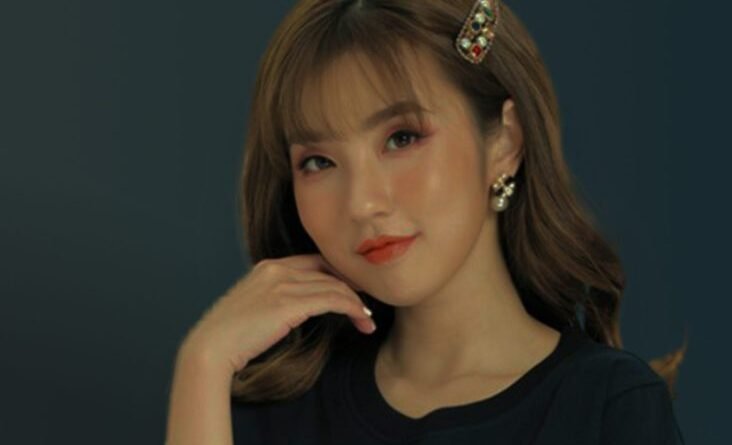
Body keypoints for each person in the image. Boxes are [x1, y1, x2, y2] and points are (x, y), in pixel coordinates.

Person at [165, 0, 687, 444]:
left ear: (505, 143)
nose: (362, 203)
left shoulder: (608, 407)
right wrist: (203, 362)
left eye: (402, 138)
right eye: (318, 162)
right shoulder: (271, 411)